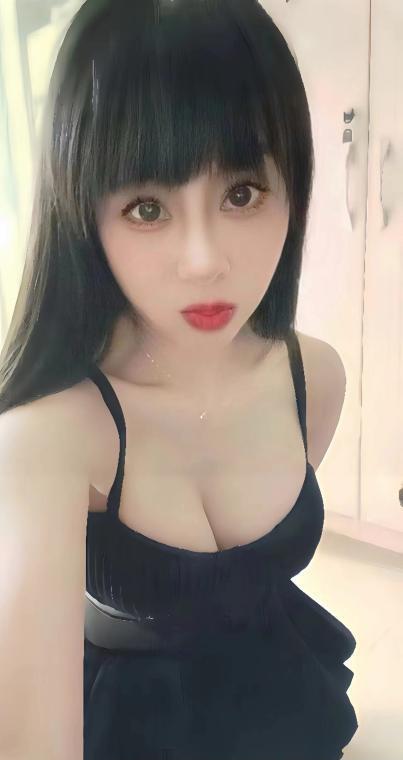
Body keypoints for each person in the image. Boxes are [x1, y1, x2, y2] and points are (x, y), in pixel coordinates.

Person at [0, 0, 358, 758]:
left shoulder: (314, 378)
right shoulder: (51, 435)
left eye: (241, 193)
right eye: (147, 207)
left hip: (286, 703)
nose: (204, 261)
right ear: (82, 212)